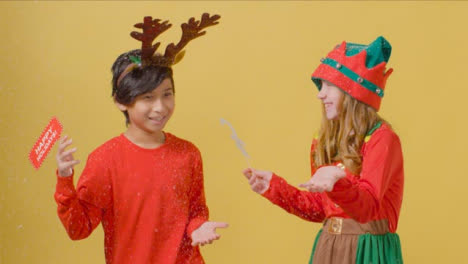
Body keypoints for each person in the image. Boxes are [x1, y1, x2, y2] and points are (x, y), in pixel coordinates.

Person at [54, 13, 228, 264]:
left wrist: (198, 227)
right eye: (147, 98)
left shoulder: (188, 154)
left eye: (167, 94)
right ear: (121, 102)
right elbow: (78, 229)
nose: (160, 107)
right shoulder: (105, 160)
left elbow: (196, 211)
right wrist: (64, 180)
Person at [243, 36, 404, 264]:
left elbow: (368, 207)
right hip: (328, 247)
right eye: (321, 86)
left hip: (367, 250)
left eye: (330, 86)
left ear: (353, 93)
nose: (321, 94)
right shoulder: (324, 140)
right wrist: (275, 188)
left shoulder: (382, 139)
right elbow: (320, 208)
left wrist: (337, 183)